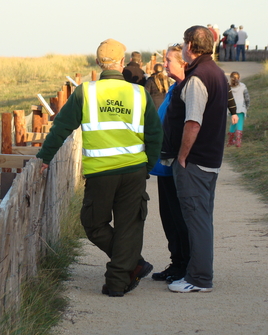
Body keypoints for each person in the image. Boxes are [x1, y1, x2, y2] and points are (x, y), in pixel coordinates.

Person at [36, 38, 163, 297]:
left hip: (100, 174)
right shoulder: (139, 93)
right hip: (134, 171)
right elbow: (155, 134)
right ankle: (127, 270)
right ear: (123, 62)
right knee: (129, 227)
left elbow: (61, 127)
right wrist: (148, 165)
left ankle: (123, 275)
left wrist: (45, 157)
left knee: (93, 224)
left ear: (98, 63)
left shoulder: (86, 92)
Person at [161, 26, 228, 293]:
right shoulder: (216, 72)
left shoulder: (198, 78)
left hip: (196, 161)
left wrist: (182, 156)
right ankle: (196, 273)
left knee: (196, 218)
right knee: (202, 218)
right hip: (209, 159)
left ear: (190, 45)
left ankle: (199, 278)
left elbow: (193, 122)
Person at [150, 44, 190, 284]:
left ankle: (185, 265)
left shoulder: (187, 89)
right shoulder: (174, 88)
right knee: (168, 217)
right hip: (162, 166)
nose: (164, 64)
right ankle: (176, 262)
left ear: (183, 63)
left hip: (175, 165)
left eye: (168, 60)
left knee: (179, 217)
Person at [227, 71, 250, 147]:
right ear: (239, 78)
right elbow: (247, 98)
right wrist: (247, 106)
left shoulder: (228, 87)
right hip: (241, 108)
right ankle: (238, 141)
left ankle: (230, 140)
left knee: (233, 124)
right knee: (240, 124)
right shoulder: (243, 86)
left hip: (231, 109)